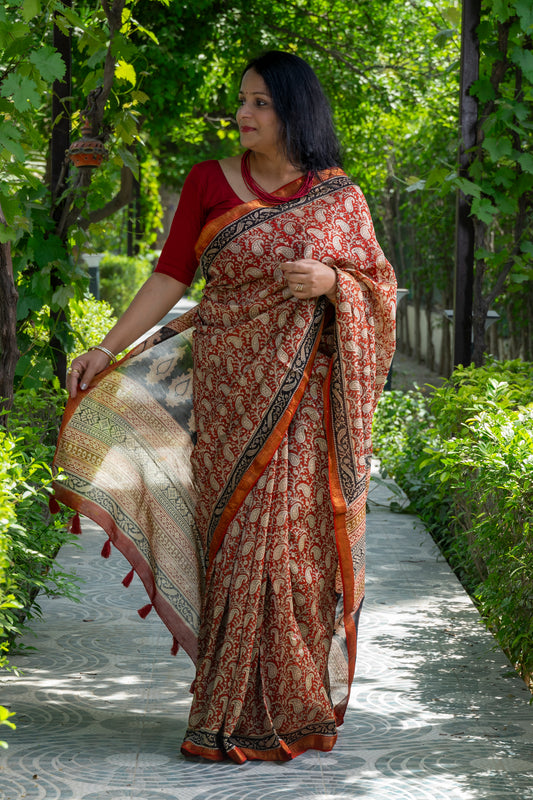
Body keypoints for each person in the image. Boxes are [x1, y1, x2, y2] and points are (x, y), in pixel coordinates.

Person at [54, 50, 397, 763]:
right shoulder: (208, 181)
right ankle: (225, 708)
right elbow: (169, 275)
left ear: (295, 111)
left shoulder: (339, 197)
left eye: (260, 103)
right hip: (226, 395)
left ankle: (292, 709)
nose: (242, 114)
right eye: (240, 100)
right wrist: (106, 349)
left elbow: (376, 290)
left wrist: (333, 280)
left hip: (305, 403)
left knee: (292, 553)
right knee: (236, 548)